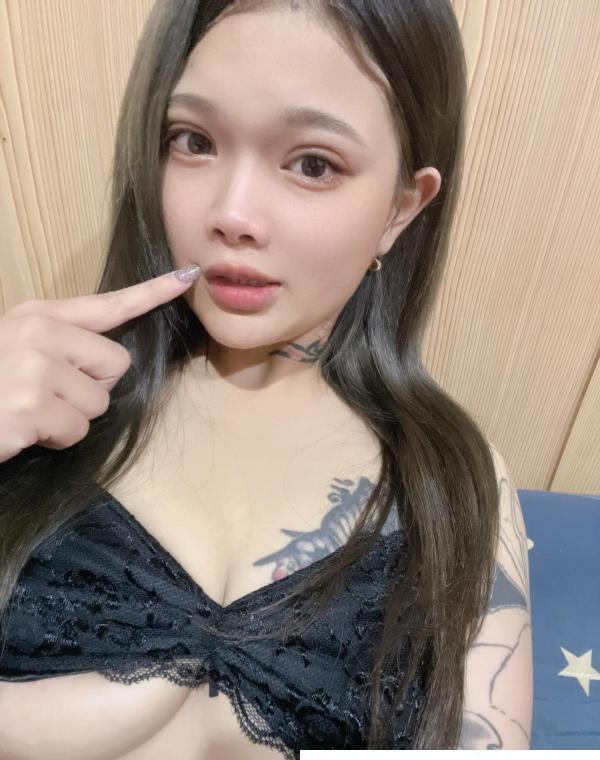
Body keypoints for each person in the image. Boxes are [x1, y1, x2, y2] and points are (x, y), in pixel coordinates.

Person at [0, 0, 533, 757]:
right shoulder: (41, 400)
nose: (233, 213)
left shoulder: (455, 483)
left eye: (313, 163)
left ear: (400, 208)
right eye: (194, 142)